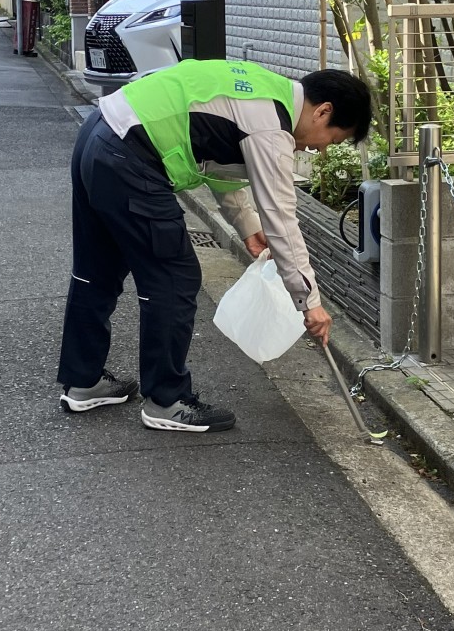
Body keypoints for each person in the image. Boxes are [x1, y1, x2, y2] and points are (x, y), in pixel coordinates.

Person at [57, 59, 375, 432]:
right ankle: (166, 401)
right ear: (323, 112)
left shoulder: (264, 88)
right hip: (131, 157)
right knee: (174, 278)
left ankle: (83, 381)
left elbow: (217, 160)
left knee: (96, 272)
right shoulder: (272, 128)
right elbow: (284, 223)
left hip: (98, 135)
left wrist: (246, 225)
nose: (320, 150)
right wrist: (311, 303)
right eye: (332, 139)